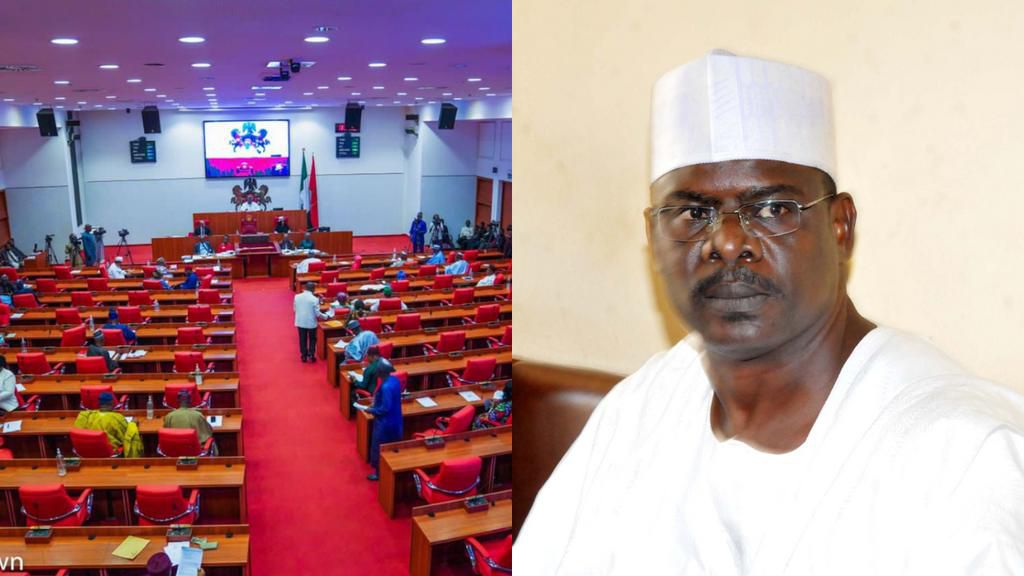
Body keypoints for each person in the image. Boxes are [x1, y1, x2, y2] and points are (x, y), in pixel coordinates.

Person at [516, 51, 1024, 574]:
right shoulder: (643, 406)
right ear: (652, 237)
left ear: (840, 226)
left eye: (772, 209)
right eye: (693, 213)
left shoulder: (963, 458)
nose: (729, 242)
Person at [358, 367, 402, 481]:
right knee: (393, 445)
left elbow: (384, 408)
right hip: (396, 418)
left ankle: (378, 473)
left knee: (377, 447)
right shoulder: (395, 380)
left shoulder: (385, 387)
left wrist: (370, 410)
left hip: (384, 422)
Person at [74, 391, 144, 457]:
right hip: (110, 452)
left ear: (99, 403)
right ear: (112, 403)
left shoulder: (87, 416)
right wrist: (133, 424)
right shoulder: (117, 418)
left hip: (89, 453)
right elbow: (126, 436)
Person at [163, 388, 218, 456]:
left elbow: (166, 435)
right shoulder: (198, 415)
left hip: (175, 453)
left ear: (177, 400)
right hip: (195, 453)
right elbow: (209, 433)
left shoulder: (169, 416)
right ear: (190, 400)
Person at [294, 281, 329, 363]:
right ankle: (311, 354)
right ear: (313, 289)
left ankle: (303, 356)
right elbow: (317, 314)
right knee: (312, 339)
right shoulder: (314, 299)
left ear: (305, 288)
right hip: (311, 323)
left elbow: (295, 309)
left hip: (300, 321)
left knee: (302, 339)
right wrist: (325, 316)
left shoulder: (297, 297)